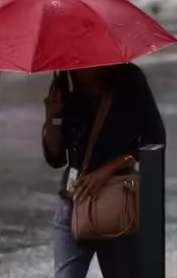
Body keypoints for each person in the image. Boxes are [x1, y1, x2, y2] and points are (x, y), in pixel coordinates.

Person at [42, 63, 166, 278]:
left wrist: (108, 170)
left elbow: (155, 140)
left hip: (115, 203)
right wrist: (53, 117)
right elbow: (56, 157)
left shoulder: (128, 79)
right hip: (73, 202)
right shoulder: (64, 84)